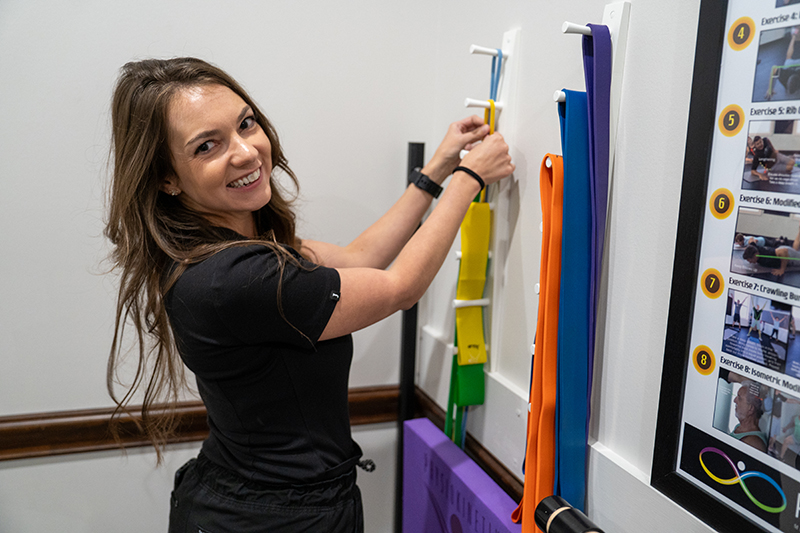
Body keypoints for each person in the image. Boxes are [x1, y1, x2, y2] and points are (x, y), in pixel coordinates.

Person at [104, 57, 514, 532]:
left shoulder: (236, 250)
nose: (246, 152)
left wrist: (438, 171)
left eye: (246, 124)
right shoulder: (233, 278)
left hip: (263, 499)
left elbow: (361, 258)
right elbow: (401, 287)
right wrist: (471, 179)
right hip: (270, 518)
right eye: (207, 146)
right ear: (166, 179)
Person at [729, 378, 768, 452]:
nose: (735, 400)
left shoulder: (752, 443)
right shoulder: (740, 427)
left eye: (739, 398)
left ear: (750, 409)